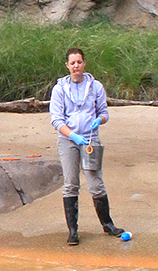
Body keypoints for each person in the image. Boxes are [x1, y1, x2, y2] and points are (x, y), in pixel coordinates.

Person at [49, 47, 126, 246]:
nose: (76, 66)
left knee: (95, 181)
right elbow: (56, 120)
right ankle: (73, 231)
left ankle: (108, 224)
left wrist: (99, 120)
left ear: (84, 64)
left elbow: (104, 112)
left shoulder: (96, 86)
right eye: (72, 63)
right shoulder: (59, 89)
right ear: (67, 65)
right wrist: (72, 135)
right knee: (71, 182)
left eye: (79, 62)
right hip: (68, 140)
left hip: (91, 139)